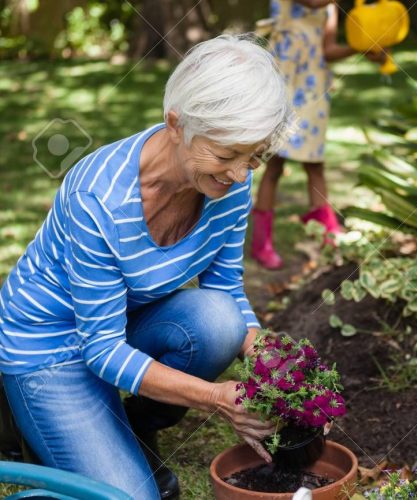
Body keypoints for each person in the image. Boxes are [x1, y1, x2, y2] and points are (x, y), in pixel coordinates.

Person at [0, 35, 291, 499]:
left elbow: (228, 292)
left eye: (253, 155)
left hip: (121, 322)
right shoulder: (97, 198)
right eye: (225, 155)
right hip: (51, 346)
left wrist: (270, 359)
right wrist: (217, 399)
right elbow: (100, 350)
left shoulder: (230, 184)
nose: (240, 174)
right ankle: (26, 414)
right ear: (176, 124)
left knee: (219, 320)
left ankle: (131, 425)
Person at [251, 0, 386, 269]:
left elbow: (328, 49)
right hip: (283, 80)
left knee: (315, 163)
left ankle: (328, 235)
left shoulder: (330, 7)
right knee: (275, 163)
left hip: (313, 86)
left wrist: (359, 47)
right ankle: (261, 242)